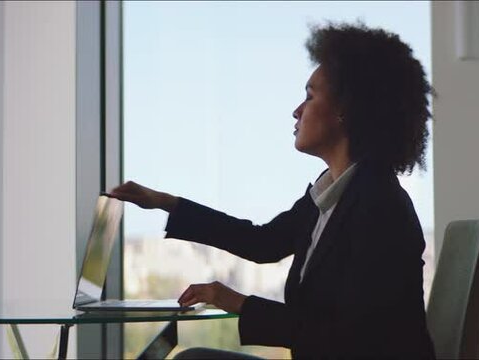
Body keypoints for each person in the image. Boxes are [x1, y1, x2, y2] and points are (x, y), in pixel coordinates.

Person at [107, 21, 436, 358]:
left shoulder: (378, 207)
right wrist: (165, 202)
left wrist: (235, 301)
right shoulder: (330, 196)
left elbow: (346, 337)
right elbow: (263, 242)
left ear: (345, 109)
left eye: (309, 96)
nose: (297, 110)